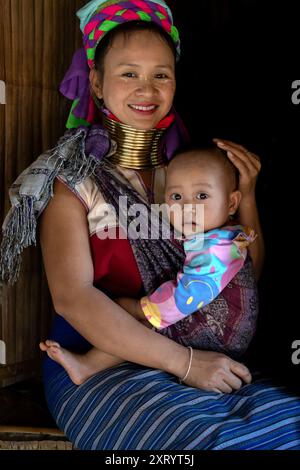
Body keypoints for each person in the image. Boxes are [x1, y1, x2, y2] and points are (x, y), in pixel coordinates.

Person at [2, 0, 300, 451]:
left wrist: (249, 197)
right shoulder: (72, 184)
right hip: (98, 360)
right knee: (200, 441)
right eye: (129, 73)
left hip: (196, 341)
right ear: (97, 84)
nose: (147, 89)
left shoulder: (190, 173)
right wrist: (185, 365)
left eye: (161, 74)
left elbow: (241, 275)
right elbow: (74, 299)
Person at [39, 146, 258, 385]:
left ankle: (89, 365)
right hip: (196, 323)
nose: (187, 207)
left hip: (217, 330)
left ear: (232, 202)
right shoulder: (217, 234)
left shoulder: (217, 248)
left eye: (202, 196)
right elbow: (71, 295)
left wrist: (137, 308)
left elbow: (188, 295)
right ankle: (89, 365)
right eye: (176, 197)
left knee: (148, 323)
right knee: (146, 326)